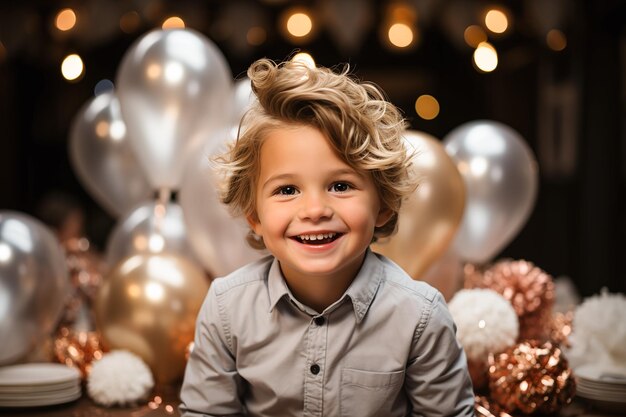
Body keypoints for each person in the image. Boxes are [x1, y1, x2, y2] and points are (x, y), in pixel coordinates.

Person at [179, 58, 474, 416]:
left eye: (340, 185)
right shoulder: (226, 309)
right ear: (254, 216)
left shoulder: (420, 317)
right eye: (287, 189)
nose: (315, 209)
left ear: (382, 206)